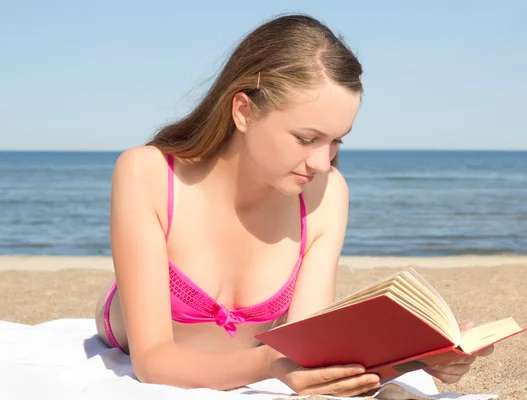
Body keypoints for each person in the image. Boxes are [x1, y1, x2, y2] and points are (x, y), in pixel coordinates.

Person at [94, 14, 493, 397]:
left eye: (337, 141)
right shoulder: (147, 173)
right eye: (306, 139)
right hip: (128, 328)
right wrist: (266, 365)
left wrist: (419, 357)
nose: (323, 163)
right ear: (243, 111)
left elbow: (306, 348)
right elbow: (152, 362)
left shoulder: (327, 194)